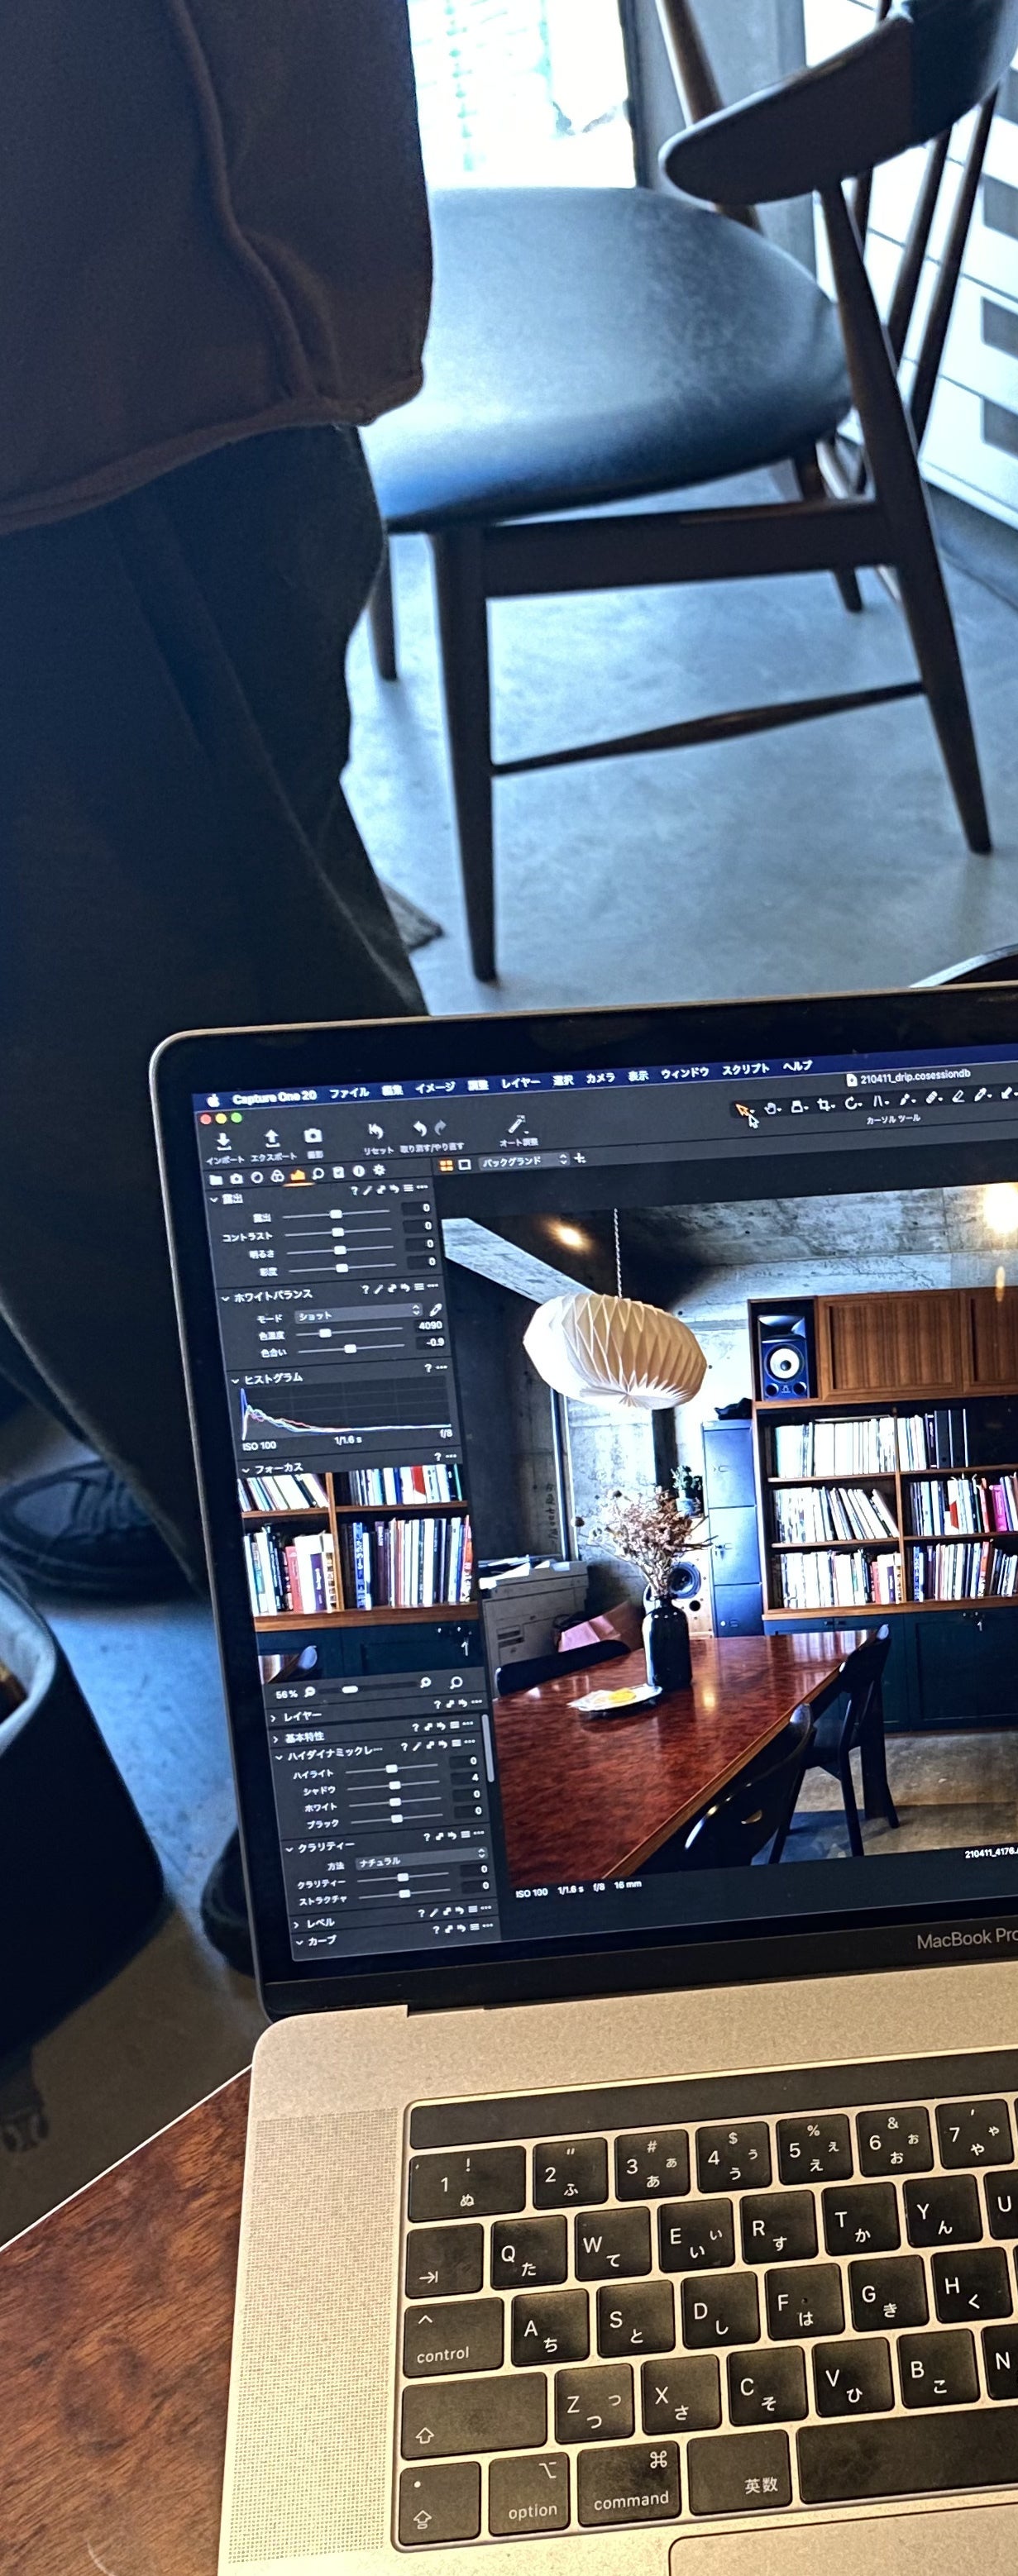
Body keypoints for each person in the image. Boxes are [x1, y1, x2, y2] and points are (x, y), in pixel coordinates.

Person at [0, 1, 435, 1949]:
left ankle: (403, 1730)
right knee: (202, 1019)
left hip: (81, 362)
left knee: (159, 1102)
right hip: (126, 304)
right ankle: (217, 1487)